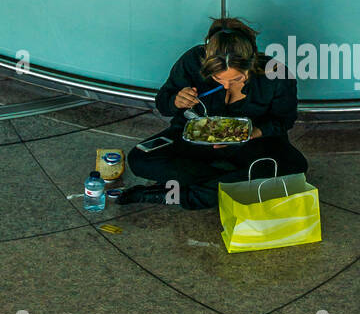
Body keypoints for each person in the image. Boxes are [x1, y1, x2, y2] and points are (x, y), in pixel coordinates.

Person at [113, 16, 306, 209]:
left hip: (253, 144)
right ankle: (229, 183)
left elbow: (284, 120)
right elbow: (163, 103)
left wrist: (250, 133)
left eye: (237, 79)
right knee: (140, 158)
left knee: (294, 167)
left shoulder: (276, 74)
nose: (226, 85)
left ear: (252, 62)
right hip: (197, 138)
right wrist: (176, 100)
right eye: (218, 78)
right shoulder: (192, 60)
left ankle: (172, 194)